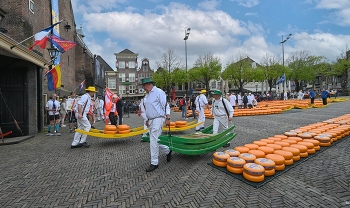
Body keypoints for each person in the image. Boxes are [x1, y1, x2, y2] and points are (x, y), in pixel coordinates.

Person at [141, 77, 172, 172]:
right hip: (151, 120)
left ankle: (154, 163)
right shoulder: (148, 95)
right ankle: (167, 151)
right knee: (154, 140)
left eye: (144, 86)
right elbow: (148, 108)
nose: (143, 88)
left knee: (153, 140)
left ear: (149, 84)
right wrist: (147, 119)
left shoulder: (159, 92)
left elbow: (166, 105)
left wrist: (168, 117)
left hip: (159, 118)